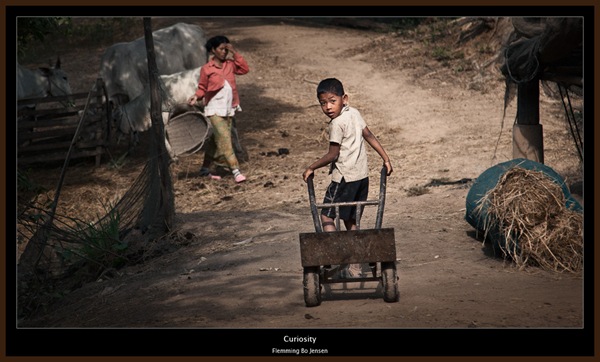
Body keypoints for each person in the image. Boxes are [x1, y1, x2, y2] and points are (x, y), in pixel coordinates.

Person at [302, 78, 393, 278]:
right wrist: (386, 158)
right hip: (362, 177)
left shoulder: (336, 124)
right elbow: (369, 135)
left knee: (326, 215)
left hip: (344, 178)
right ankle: (355, 265)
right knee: (352, 219)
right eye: (323, 103)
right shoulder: (355, 114)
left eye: (332, 101)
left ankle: (339, 255)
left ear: (344, 98)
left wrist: (311, 167)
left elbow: (332, 155)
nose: (327, 107)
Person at [188, 35, 249, 183]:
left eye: (226, 49)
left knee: (216, 141)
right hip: (214, 108)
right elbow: (202, 87)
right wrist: (196, 97)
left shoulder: (230, 64)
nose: (224, 52)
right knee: (225, 139)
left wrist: (234, 52)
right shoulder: (207, 69)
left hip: (228, 108)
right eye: (221, 49)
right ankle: (235, 171)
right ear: (213, 50)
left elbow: (244, 69)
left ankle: (204, 170)